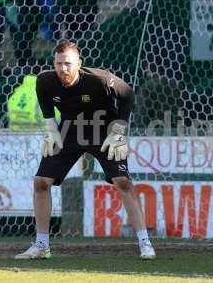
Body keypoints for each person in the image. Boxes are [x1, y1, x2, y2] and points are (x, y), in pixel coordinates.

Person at [15, 41, 156, 260]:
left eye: (68, 63)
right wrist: (51, 127)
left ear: (78, 64)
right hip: (70, 130)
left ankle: (145, 243)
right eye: (59, 63)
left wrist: (119, 131)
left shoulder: (98, 79)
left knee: (123, 182)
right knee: (41, 182)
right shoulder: (45, 80)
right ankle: (42, 245)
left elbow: (128, 94)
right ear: (54, 63)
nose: (63, 69)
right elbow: (44, 98)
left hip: (104, 130)